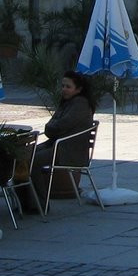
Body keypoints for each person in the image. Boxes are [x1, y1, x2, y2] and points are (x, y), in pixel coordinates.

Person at [27, 71, 95, 213]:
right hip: (57, 145)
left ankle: (40, 204)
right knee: (23, 156)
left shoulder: (80, 104)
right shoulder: (66, 103)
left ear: (78, 89)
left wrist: (52, 129)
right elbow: (52, 125)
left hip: (68, 151)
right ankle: (27, 202)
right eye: (63, 86)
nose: (64, 89)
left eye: (68, 86)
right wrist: (52, 128)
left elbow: (61, 124)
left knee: (33, 161)